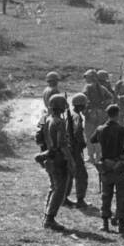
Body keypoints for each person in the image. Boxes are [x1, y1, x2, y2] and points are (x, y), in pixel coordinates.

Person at [92, 103, 124, 233]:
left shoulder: (100, 129)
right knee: (121, 196)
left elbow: (92, 140)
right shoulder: (122, 129)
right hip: (119, 166)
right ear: (118, 114)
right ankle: (121, 224)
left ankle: (105, 224)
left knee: (106, 195)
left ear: (107, 114)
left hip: (106, 166)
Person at [40, 95, 74, 231]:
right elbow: (63, 144)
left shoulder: (47, 119)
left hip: (50, 157)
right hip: (58, 158)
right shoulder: (59, 122)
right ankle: (50, 218)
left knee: (53, 186)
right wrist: (71, 160)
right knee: (60, 189)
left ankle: (47, 215)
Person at [69, 94, 91, 207]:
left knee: (69, 173)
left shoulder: (71, 114)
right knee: (81, 175)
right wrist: (81, 142)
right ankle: (80, 199)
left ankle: (65, 198)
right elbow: (77, 131)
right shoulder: (77, 116)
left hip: (70, 149)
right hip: (75, 149)